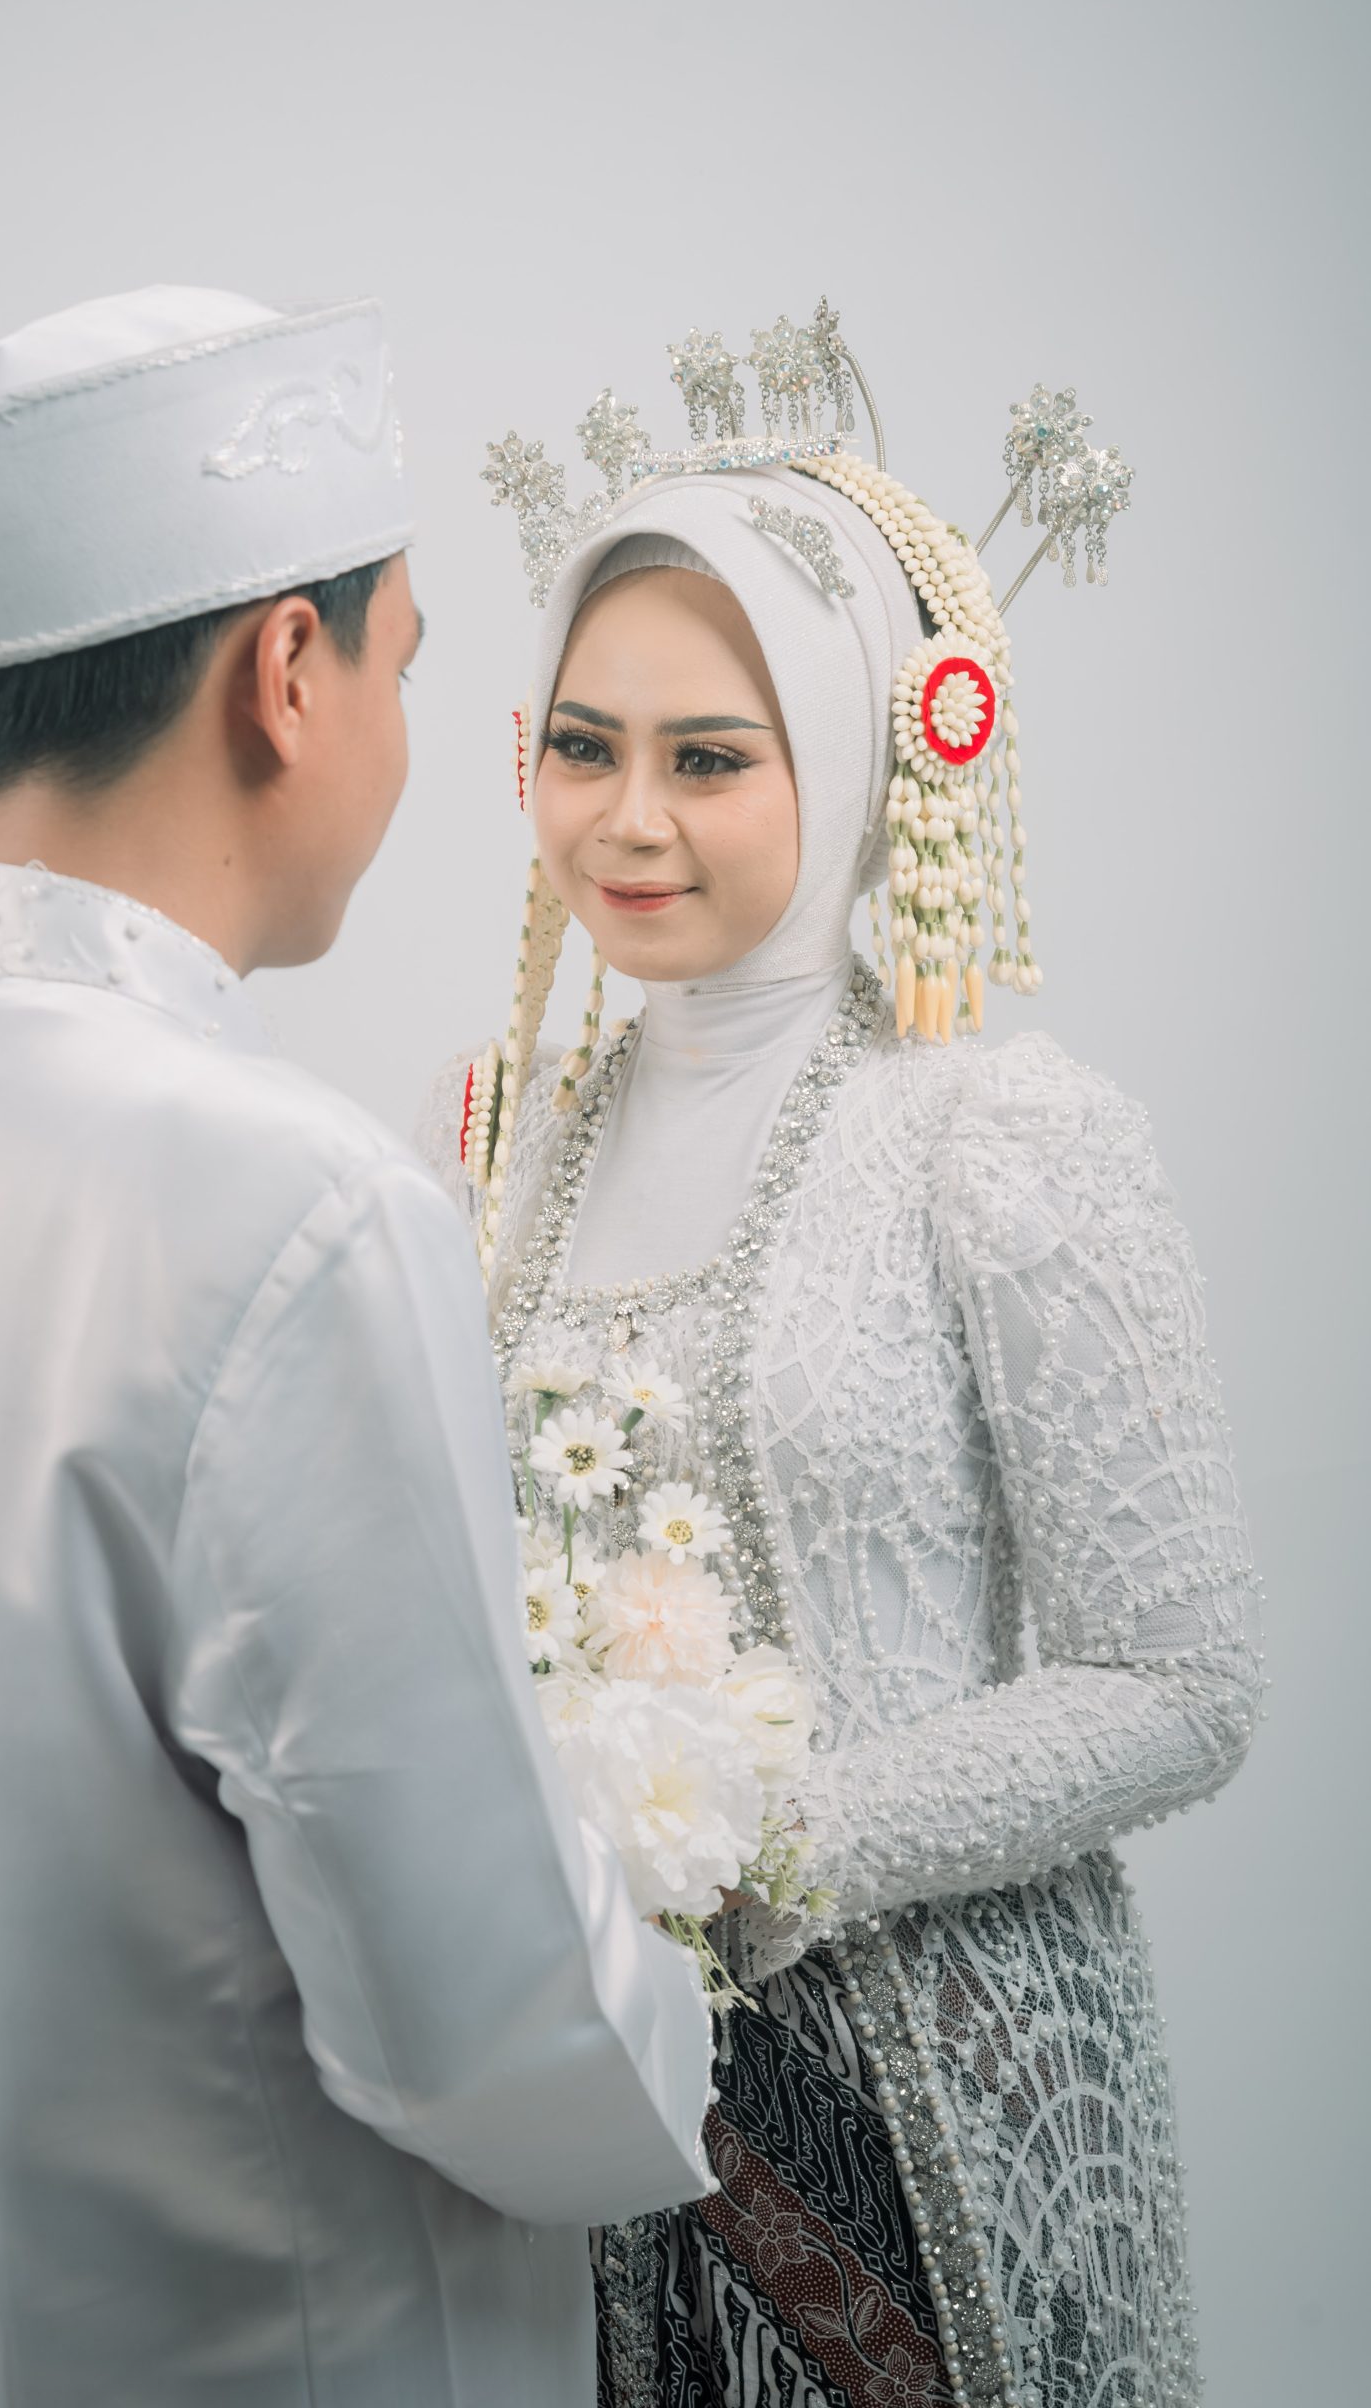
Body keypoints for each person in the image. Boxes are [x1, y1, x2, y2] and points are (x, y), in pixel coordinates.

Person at [0, 285, 715, 2408]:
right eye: (407, 663)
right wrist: (683, 1986)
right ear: (287, 674)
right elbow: (489, 2025)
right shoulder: (295, 1205)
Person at [423, 317, 1260, 2408]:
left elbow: (1182, 1680)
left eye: (709, 757)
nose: (627, 818)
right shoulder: (495, 1141)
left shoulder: (999, 1137)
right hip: (578, 2105)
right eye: (583, 745)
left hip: (934, 2106)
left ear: (862, 757)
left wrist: (772, 1841)